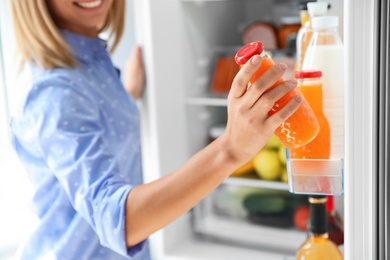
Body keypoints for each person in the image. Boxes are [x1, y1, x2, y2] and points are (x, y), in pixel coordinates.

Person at [9, 0, 302, 259]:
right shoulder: (52, 90)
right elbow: (117, 221)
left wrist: (127, 97)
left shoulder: (88, 61)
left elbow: (89, 129)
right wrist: (231, 149)